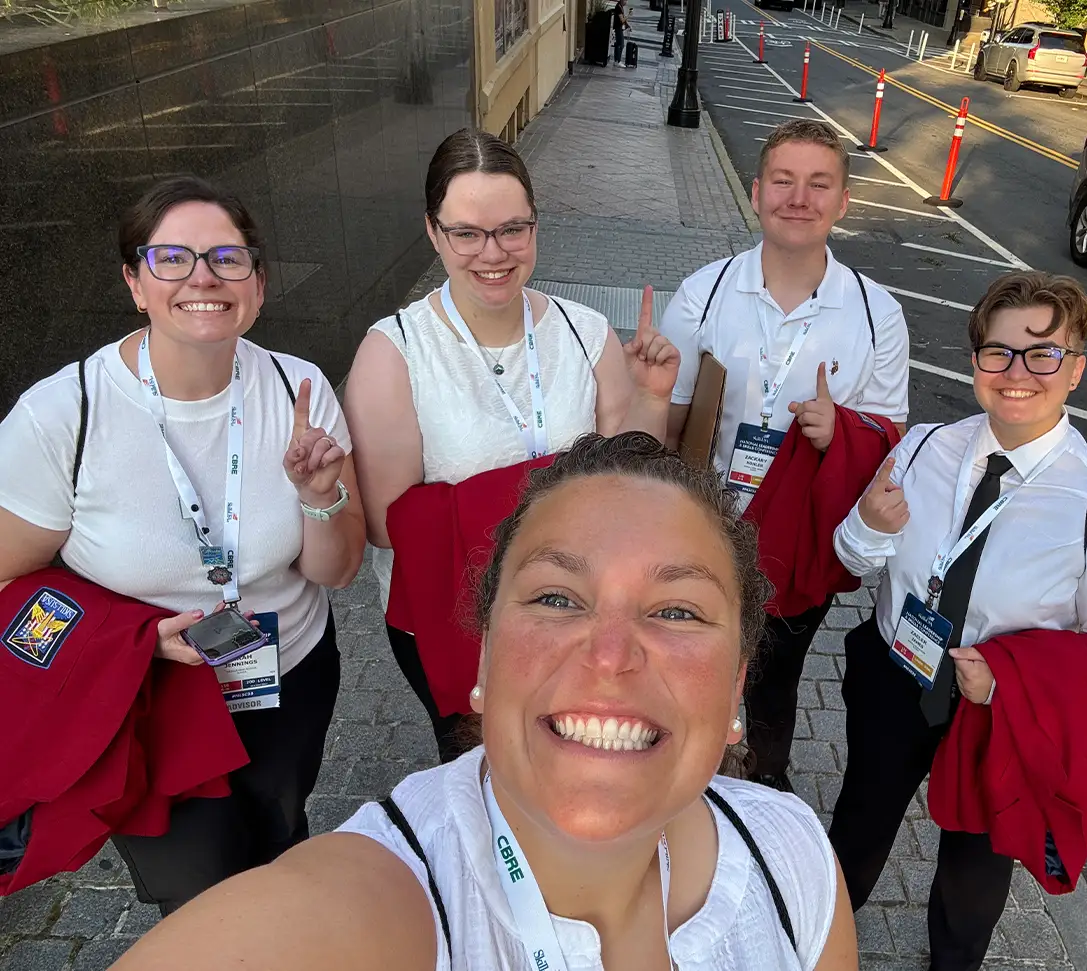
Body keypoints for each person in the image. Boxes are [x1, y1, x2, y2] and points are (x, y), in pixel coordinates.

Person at [110, 431, 858, 971]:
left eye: (677, 610)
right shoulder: (373, 903)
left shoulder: (791, 857)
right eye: (558, 597)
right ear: (484, 661)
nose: (610, 655)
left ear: (736, 689)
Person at [0, 176, 365, 914]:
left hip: (287, 678)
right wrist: (129, 638)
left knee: (277, 851)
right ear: (135, 282)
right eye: (173, 257)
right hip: (150, 708)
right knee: (202, 900)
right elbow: (9, 584)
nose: (203, 276)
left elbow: (339, 569)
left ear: (258, 287)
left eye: (227, 258)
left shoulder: (299, 391)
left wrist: (317, 496)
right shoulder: (62, 414)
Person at [828, 271, 1087, 971]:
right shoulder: (922, 447)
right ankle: (817, 942)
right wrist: (863, 524)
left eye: (1043, 354)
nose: (1018, 374)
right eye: (999, 352)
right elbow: (857, 562)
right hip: (897, 676)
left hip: (996, 714)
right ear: (975, 360)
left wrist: (1014, 680)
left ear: (1075, 369)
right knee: (857, 828)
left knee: (972, 875)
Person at [344, 128, 678, 764]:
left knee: (573, 759)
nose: (491, 252)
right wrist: (557, 486)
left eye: (511, 229)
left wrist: (651, 400)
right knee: (478, 765)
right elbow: (391, 525)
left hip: (575, 609)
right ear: (434, 232)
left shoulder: (586, 334)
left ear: (534, 227)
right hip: (452, 615)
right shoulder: (396, 351)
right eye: (466, 233)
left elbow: (630, 486)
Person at [659, 118, 910, 791]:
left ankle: (767, 781)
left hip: (797, 541)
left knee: (775, 674)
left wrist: (843, 428)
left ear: (843, 201)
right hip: (704, 530)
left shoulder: (875, 312)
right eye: (784, 180)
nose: (799, 197)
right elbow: (671, 416)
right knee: (691, 660)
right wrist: (645, 386)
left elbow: (891, 437)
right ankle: (684, 774)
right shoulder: (704, 293)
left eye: (818, 183)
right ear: (756, 190)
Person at [613, 0, 630, 64]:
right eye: (625, 0)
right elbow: (622, 20)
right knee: (621, 44)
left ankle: (616, 60)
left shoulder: (620, 6)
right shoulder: (618, 8)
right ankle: (618, 60)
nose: (626, 2)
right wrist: (629, 15)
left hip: (619, 27)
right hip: (618, 28)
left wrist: (627, 25)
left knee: (618, 44)